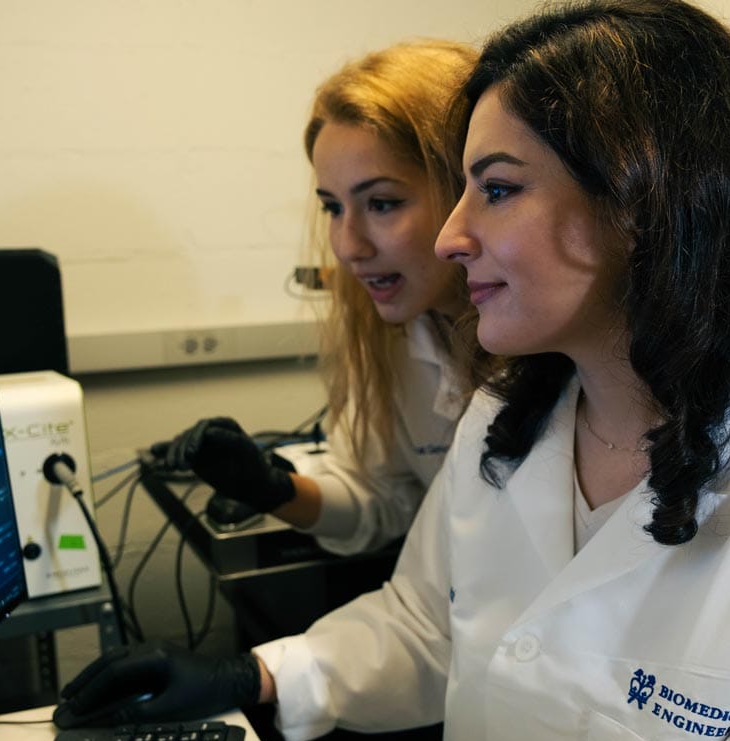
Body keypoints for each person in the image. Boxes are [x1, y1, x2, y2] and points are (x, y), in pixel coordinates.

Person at [58, 2, 730, 741]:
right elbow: (429, 626)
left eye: (498, 189)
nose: (449, 235)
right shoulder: (512, 415)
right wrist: (260, 675)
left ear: (647, 200)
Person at [150, 39, 490, 557]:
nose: (348, 246)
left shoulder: (563, 349)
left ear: (470, 189)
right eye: (333, 207)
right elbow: (383, 499)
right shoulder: (395, 337)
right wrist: (271, 489)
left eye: (382, 203)